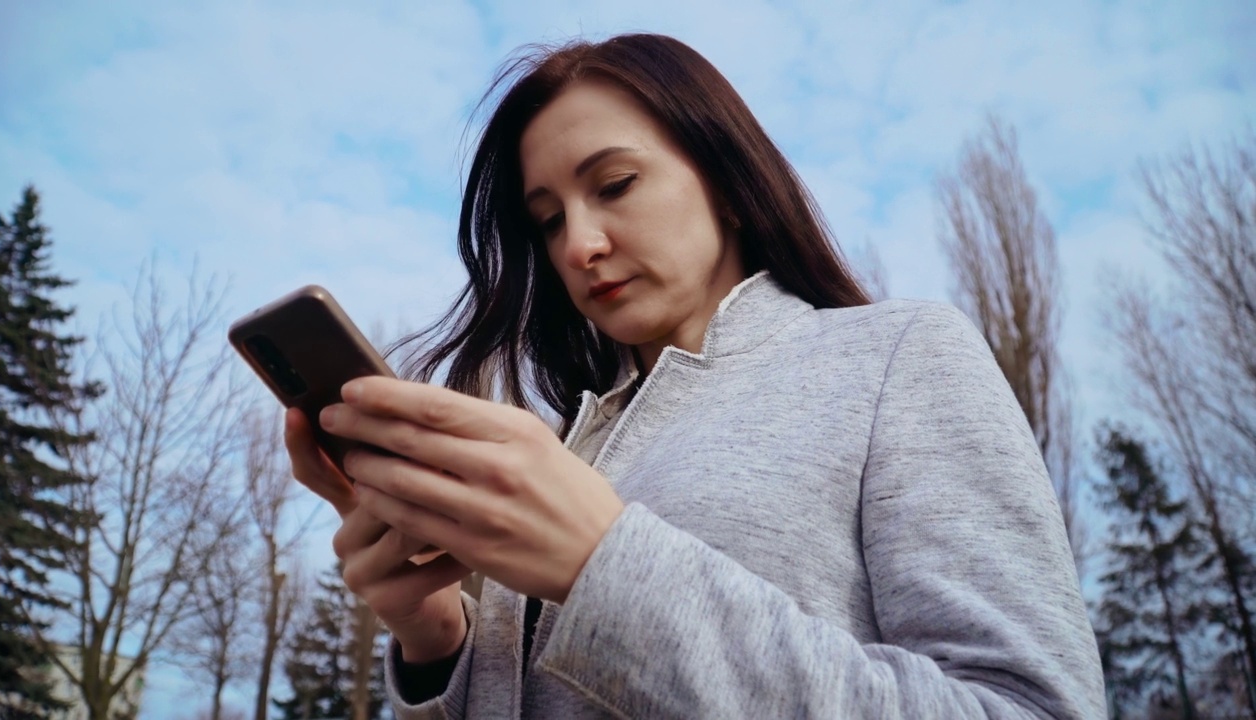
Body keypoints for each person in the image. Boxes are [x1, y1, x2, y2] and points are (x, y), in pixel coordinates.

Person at [284, 33, 1106, 719]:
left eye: (615, 186)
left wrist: (604, 566)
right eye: (547, 222)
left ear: (730, 185)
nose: (579, 245)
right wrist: (436, 647)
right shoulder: (557, 453)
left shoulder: (897, 355)